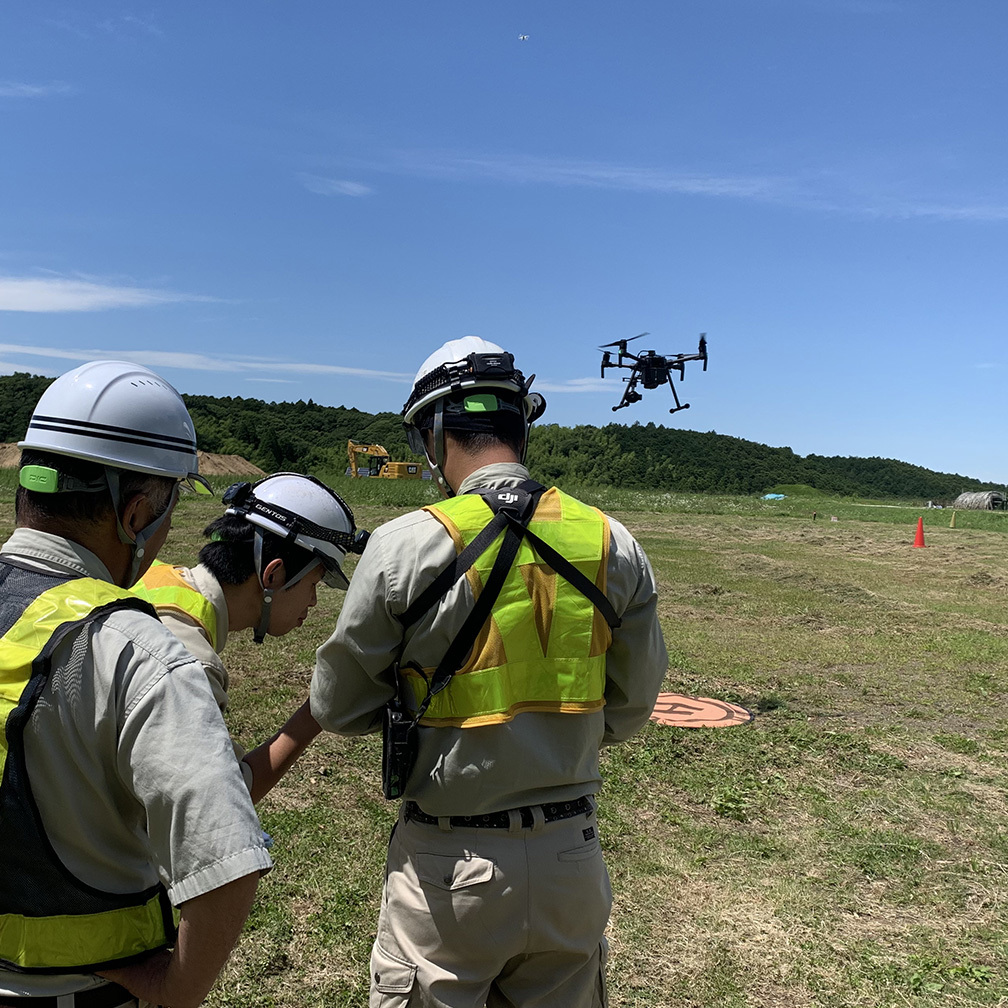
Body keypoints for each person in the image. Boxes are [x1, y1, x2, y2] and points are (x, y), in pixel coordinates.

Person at [310, 336, 668, 1007]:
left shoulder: (403, 546)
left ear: (435, 431)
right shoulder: (609, 541)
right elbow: (631, 705)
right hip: (572, 858)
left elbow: (337, 707)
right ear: (520, 427)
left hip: (450, 867)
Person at [0, 361, 272, 1007]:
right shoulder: (133, 649)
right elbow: (226, 864)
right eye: (169, 509)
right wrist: (175, 990)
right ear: (138, 511)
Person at [133, 472, 367, 803]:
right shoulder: (187, 666)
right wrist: (317, 711)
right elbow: (224, 798)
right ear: (274, 574)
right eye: (313, 584)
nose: (313, 602)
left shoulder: (153, 578)